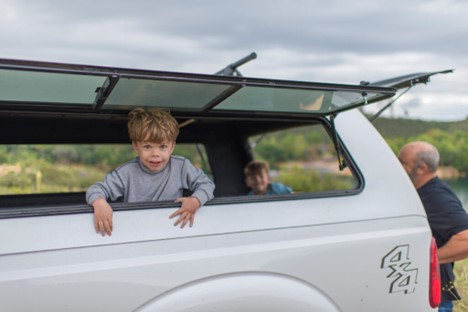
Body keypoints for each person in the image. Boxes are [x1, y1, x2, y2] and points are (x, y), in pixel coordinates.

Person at [86, 108, 215, 236]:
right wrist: (99, 203)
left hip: (172, 230)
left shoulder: (181, 166)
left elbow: (207, 184)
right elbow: (95, 189)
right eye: (147, 146)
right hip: (137, 231)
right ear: (136, 146)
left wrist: (195, 201)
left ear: (172, 146)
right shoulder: (126, 173)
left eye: (163, 147)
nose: (155, 154)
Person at [398, 141, 468, 312]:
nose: (397, 167)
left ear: (421, 168)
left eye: (402, 163)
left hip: (434, 301)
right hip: (417, 293)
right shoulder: (419, 190)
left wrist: (427, 261)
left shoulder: (437, 197)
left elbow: (466, 239)